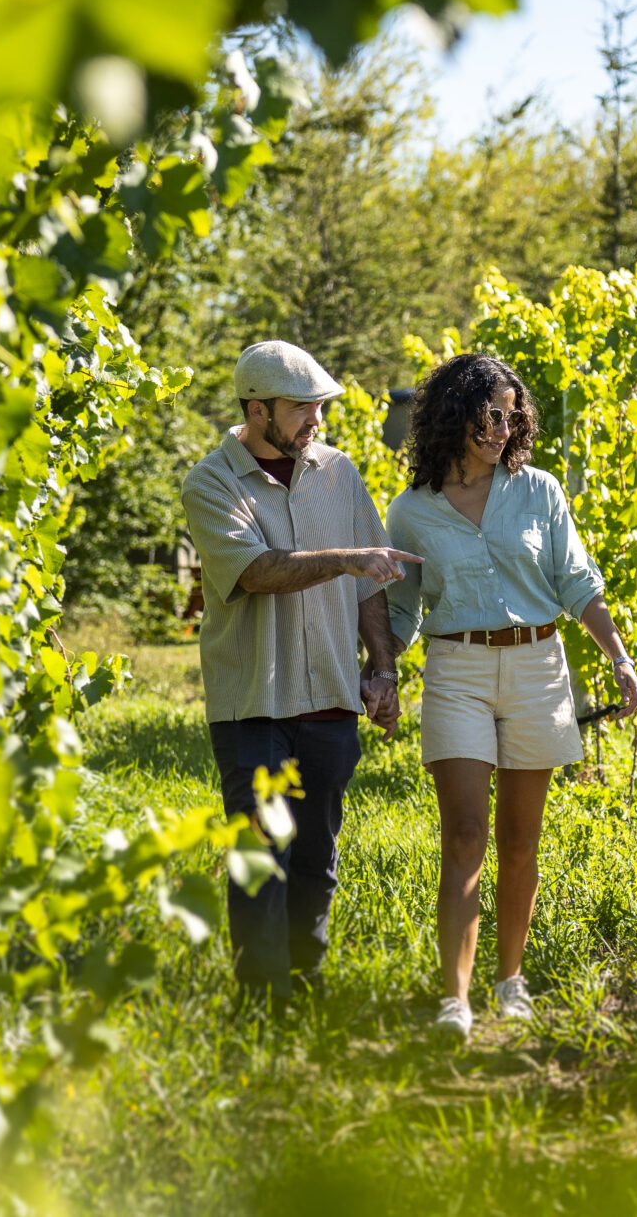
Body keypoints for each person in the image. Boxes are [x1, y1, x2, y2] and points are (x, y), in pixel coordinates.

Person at [383, 352, 637, 1040]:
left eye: (511, 414)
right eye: (488, 413)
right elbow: (403, 611)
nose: (502, 427)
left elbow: (577, 581)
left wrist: (617, 654)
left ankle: (511, 979)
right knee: (464, 834)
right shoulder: (411, 512)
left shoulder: (539, 491)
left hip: (537, 666)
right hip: (457, 669)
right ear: (455, 414)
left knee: (519, 841)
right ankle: (455, 1000)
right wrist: (376, 671)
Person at [179, 340, 419, 1006]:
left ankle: (303, 976)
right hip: (253, 700)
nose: (316, 417)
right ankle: (260, 995)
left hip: (331, 695)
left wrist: (381, 667)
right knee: (261, 853)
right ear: (258, 410)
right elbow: (255, 572)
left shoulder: (339, 472)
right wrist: (346, 558)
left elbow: (373, 583)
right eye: (302, 407)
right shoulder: (211, 482)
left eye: (321, 405)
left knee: (316, 853)